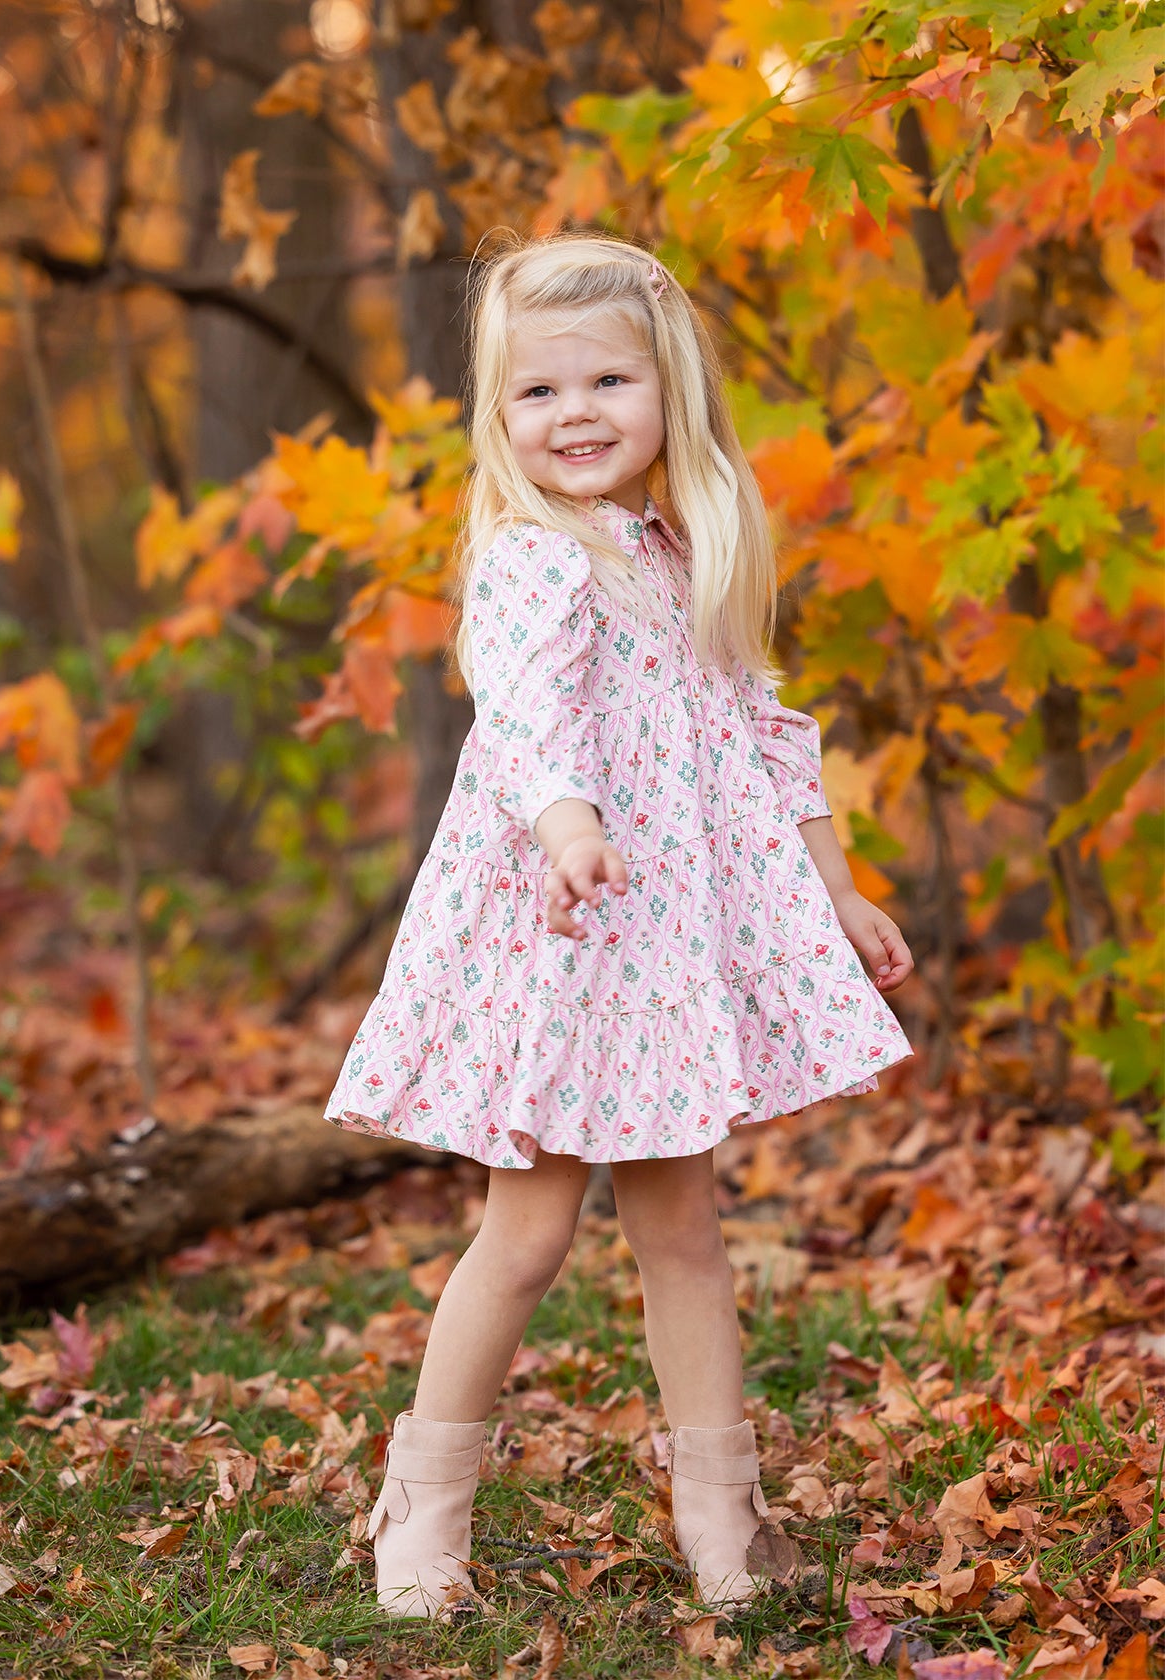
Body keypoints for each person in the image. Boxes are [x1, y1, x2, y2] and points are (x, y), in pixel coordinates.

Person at [324, 230, 915, 1619]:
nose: (575, 413)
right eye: (539, 393)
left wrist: (837, 885)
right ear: (499, 416)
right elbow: (525, 711)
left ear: (669, 397)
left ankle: (726, 1521)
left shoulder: (682, 550)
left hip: (668, 955)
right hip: (569, 933)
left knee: (686, 1234)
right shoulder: (536, 560)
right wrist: (568, 820)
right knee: (525, 1237)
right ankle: (421, 1509)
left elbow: (767, 732)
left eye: (607, 381)